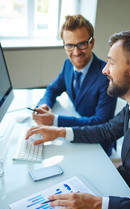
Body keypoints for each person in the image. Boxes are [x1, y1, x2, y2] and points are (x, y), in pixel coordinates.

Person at [26, 30, 130, 209]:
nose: (105, 70)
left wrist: (98, 205)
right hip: (126, 185)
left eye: (112, 63)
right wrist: (59, 132)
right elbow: (106, 129)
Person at [32, 14, 116, 156]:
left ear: (92, 43)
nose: (76, 52)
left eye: (82, 44)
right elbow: (53, 88)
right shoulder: (68, 65)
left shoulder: (106, 76)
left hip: (96, 145)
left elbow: (101, 122)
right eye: (70, 45)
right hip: (73, 135)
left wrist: (56, 120)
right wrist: (44, 105)